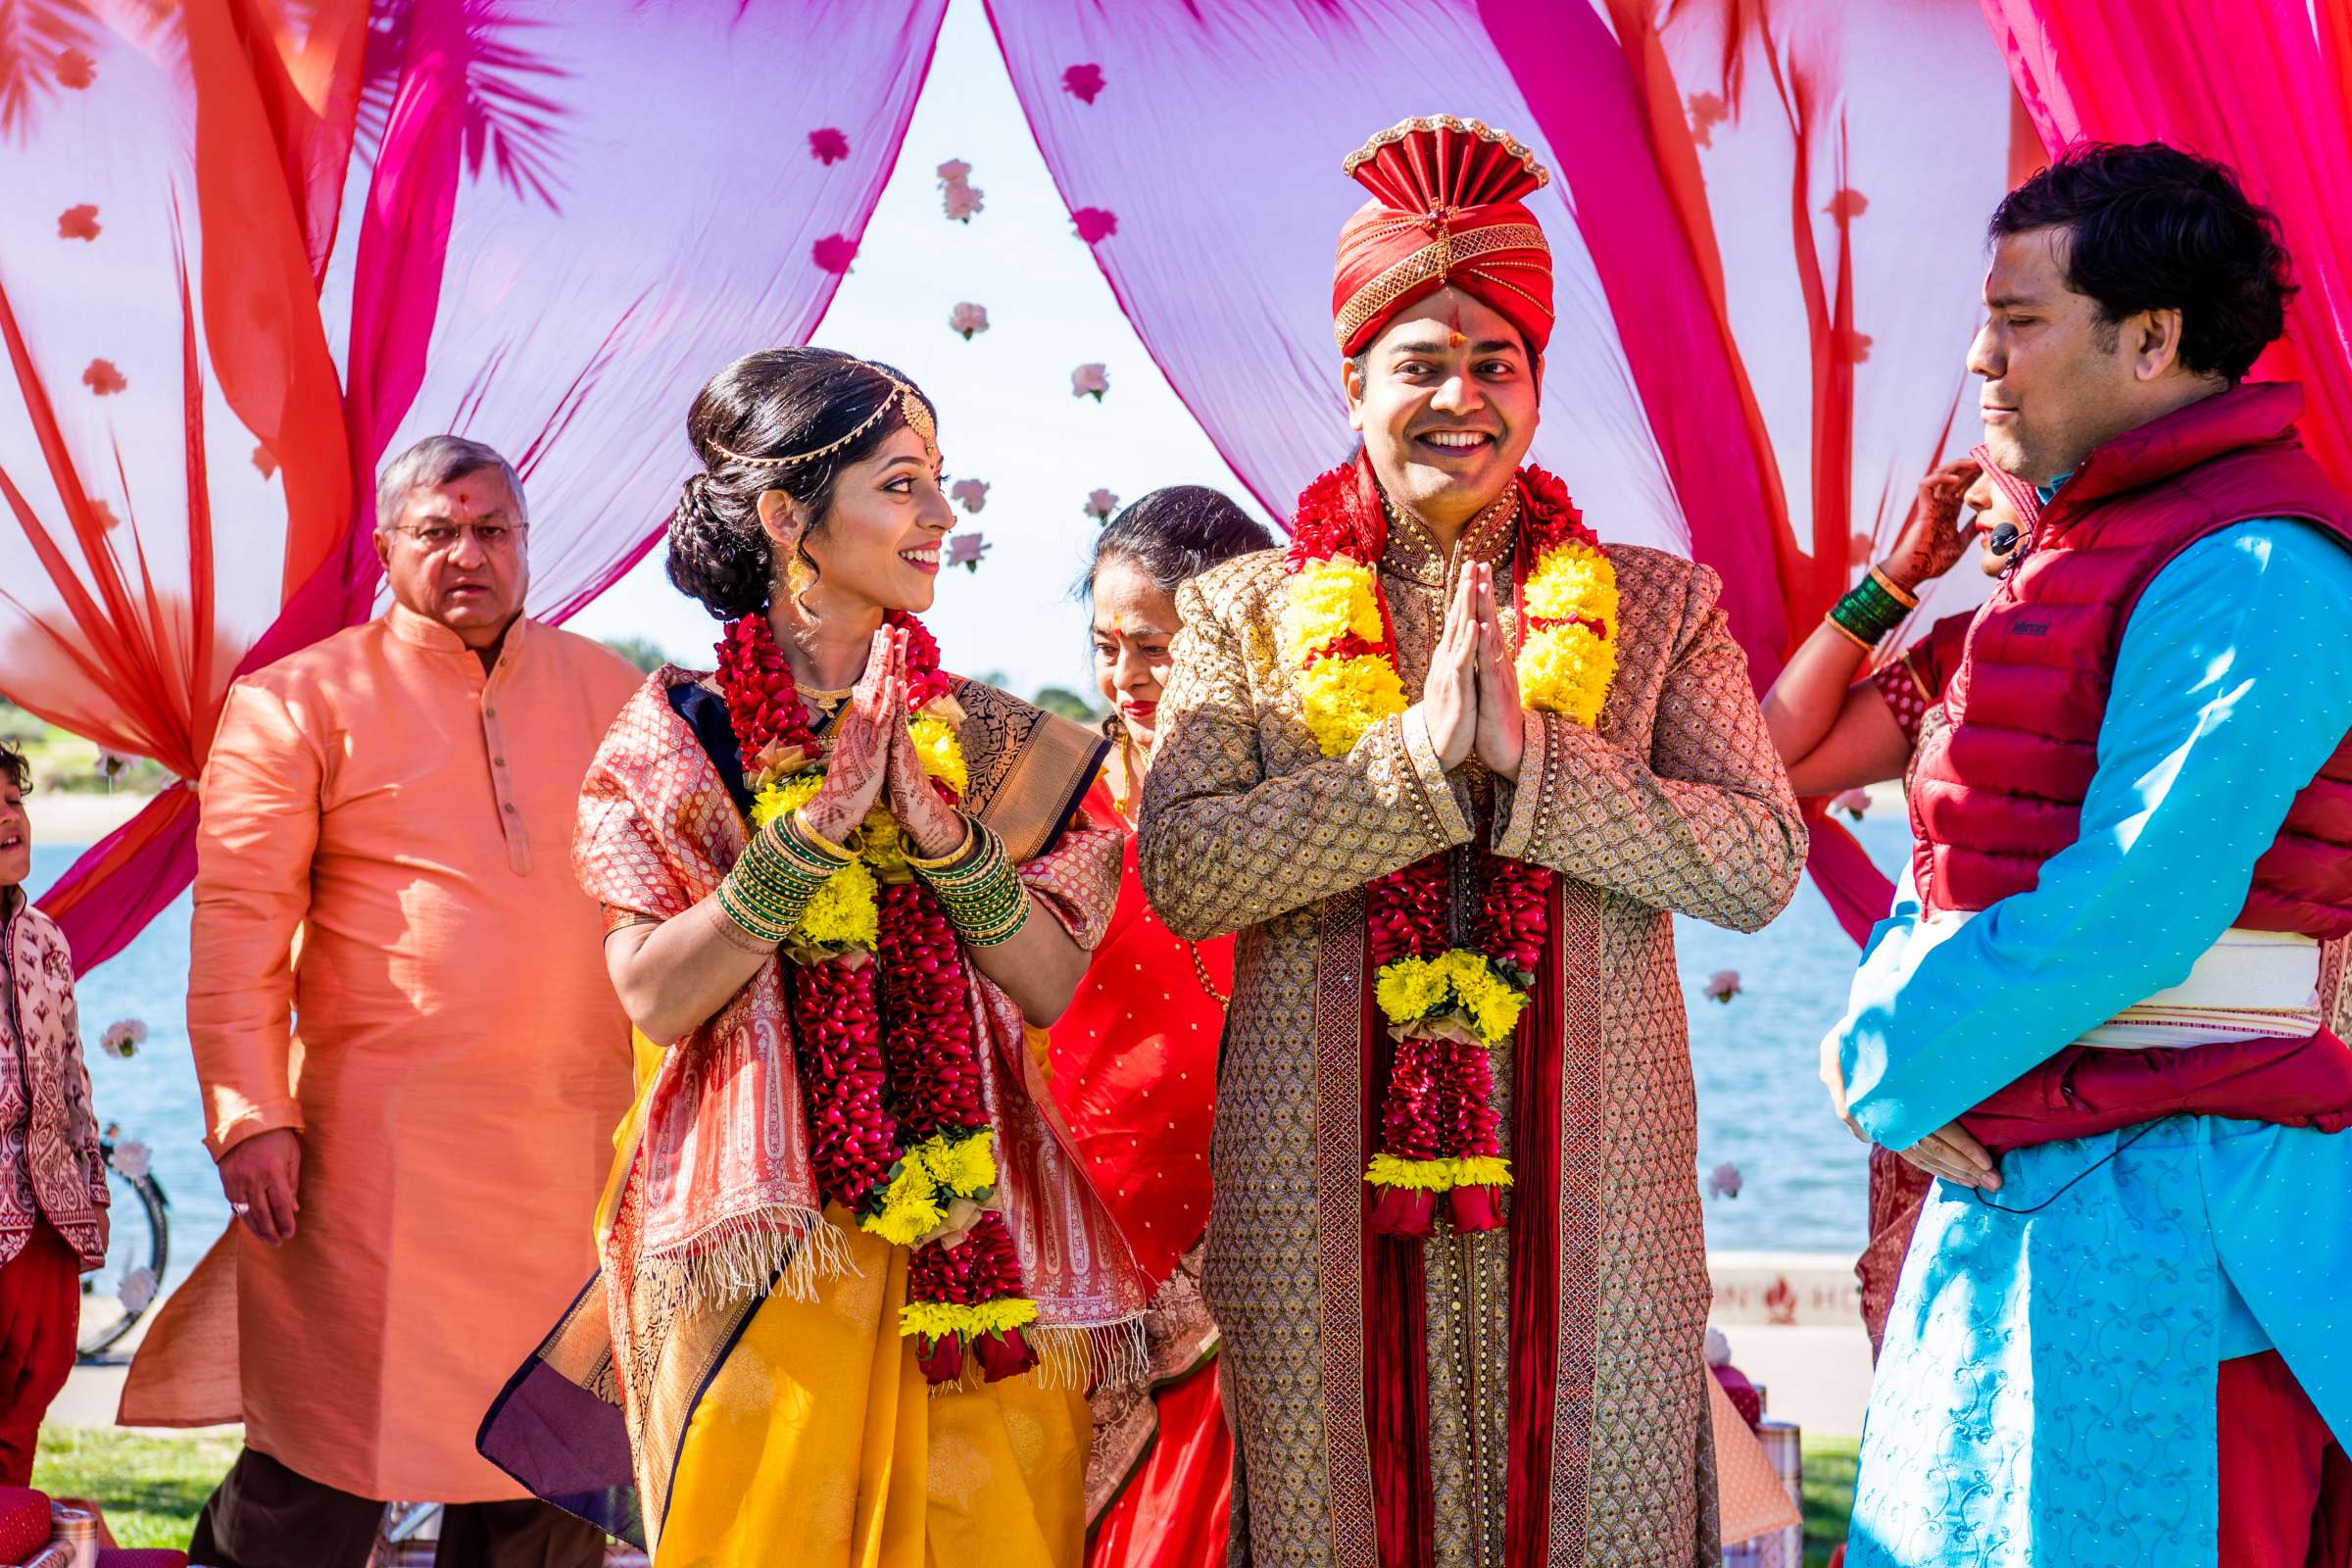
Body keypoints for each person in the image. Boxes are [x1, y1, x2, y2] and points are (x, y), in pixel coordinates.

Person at [1140, 116, 1807, 1564]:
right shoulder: (1245, 616)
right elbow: (1183, 872)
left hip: (1597, 1207)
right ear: (1353, 382)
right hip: (1317, 1202)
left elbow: (1760, 864)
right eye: (1419, 362)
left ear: (1538, 384)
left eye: (1494, 362)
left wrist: (1539, 762)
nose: (1459, 395)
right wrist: (1410, 766)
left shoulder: (1658, 605)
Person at [482, 348, 1149, 1567]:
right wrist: (806, 843)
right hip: (765, 1253)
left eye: (941, 481)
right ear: (791, 517)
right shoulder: (682, 733)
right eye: (904, 484)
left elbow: (1049, 981)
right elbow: (652, 991)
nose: (943, 515)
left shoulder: (991, 745)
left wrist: (943, 843)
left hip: (972, 1247)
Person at [1826, 143, 2352, 1564]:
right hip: (2029, 1194)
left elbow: (2139, 905)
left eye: (2019, 320)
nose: (1981, 360)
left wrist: (1885, 1060)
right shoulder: (2079, 553)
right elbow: (1956, 851)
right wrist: (1891, 1033)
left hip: (2190, 1226)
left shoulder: (2258, 569)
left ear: (2154, 340)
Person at [140, 436, 642, 1568]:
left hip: (572, 1147)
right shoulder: (297, 701)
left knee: (551, 1474)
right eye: (438, 531)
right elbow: (237, 942)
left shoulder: (612, 690)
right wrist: (249, 1114)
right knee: (322, 1464)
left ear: (526, 543)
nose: (468, 554)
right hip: (374, 1163)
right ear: (386, 549)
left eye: (492, 531)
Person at [1760, 453, 2039, 1354]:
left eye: (2002, 472)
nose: (1977, 498)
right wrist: (1896, 579)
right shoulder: (1961, 650)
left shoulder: (2178, 617)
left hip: (2086, 1052)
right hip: (1928, 1062)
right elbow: (1770, 759)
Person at [1056, 487, 1273, 1568]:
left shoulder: (1306, 801)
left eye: (1156, 646)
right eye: (1105, 645)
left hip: (1248, 1245)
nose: (1123, 678)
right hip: (1081, 1234)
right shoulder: (1051, 800)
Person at [0, 742, 108, 1487]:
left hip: (46, 1220)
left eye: (13, 800)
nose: (9, 820)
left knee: (24, 1407)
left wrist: (91, 1196)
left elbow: (73, 1083)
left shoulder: (46, 940)